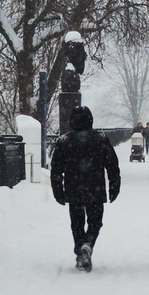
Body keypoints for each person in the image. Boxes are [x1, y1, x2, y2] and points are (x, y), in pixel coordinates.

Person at [51, 106, 121, 271]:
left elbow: (56, 169)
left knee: (76, 221)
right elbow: (112, 165)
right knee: (95, 221)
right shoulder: (101, 139)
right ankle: (88, 243)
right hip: (95, 187)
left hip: (73, 187)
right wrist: (114, 184)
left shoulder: (64, 141)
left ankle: (80, 248)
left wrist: (58, 191)